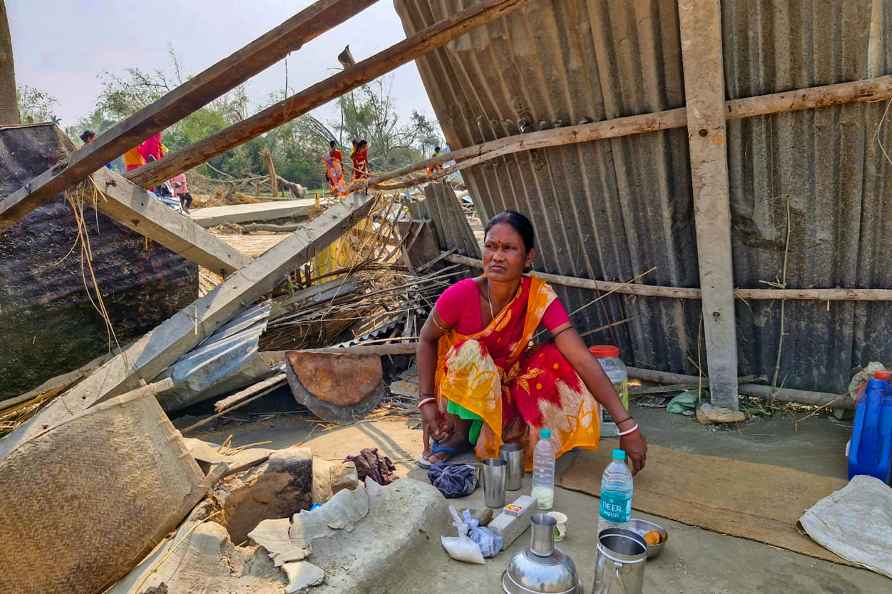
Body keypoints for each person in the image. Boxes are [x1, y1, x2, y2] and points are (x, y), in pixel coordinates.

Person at [416, 210, 647, 474]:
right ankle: (458, 434)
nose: (497, 257)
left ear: (528, 258)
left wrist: (626, 425)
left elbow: (581, 357)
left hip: (503, 387)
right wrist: (427, 401)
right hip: (462, 391)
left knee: (556, 358)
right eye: (491, 246)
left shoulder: (537, 295)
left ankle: (499, 435)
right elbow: (426, 339)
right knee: (470, 352)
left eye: (509, 248)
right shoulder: (460, 295)